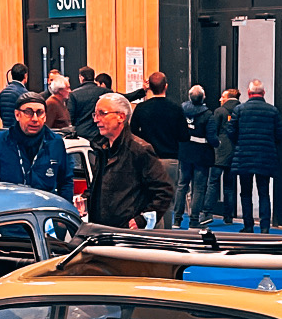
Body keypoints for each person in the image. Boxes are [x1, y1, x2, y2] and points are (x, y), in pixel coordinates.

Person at [88, 92, 173, 228]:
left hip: (126, 235)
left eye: (102, 113)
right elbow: (99, 187)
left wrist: (142, 220)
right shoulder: (102, 148)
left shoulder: (139, 150)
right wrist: (86, 197)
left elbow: (164, 191)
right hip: (101, 230)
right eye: (95, 114)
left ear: (121, 117)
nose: (96, 120)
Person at [0, 91, 75, 202]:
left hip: (45, 209)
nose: (35, 118)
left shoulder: (55, 142)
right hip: (11, 209)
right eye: (28, 112)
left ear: (45, 117)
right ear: (17, 115)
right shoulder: (0, 141)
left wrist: (64, 212)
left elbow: (65, 182)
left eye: (40, 113)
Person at [127, 71, 186, 227]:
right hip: (170, 159)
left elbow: (132, 132)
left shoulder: (141, 108)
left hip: (147, 159)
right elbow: (184, 136)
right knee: (167, 199)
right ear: (166, 86)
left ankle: (148, 231)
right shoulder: (176, 108)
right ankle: (165, 232)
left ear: (150, 88)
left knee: (147, 197)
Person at [229, 80, 281, 233]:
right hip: (265, 156)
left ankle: (248, 226)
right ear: (263, 93)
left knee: (245, 193)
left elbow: (230, 131)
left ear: (248, 93)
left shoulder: (239, 110)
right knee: (264, 192)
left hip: (244, 156)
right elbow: (280, 134)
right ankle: (265, 227)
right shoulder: (272, 111)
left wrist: (239, 143)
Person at [178, 85, 215, 229]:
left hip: (185, 152)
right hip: (201, 155)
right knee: (198, 188)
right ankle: (194, 220)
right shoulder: (207, 115)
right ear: (203, 98)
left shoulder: (182, 110)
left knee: (182, 185)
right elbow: (212, 138)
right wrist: (216, 143)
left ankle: (177, 218)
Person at [210, 88, 240, 225]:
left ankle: (206, 212)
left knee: (213, 182)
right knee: (229, 186)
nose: (220, 99)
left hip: (220, 152)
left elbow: (213, 131)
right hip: (235, 152)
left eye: (222, 97)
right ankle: (228, 216)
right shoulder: (241, 111)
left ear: (228, 98)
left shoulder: (219, 111)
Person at [68, 66, 103, 140]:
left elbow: (71, 117)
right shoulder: (105, 92)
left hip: (81, 134)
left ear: (81, 77)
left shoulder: (74, 94)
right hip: (100, 132)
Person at [0, 63, 28, 129]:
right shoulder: (24, 94)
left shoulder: (2, 93)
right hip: (18, 131)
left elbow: (1, 114)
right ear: (25, 76)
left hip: (5, 130)